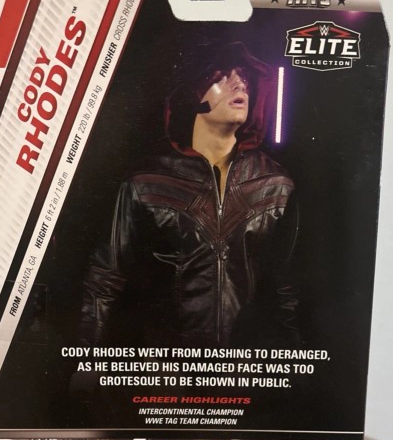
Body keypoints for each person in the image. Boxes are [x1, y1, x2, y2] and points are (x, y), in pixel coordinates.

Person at [79, 41, 300, 349]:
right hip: (166, 364)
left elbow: (289, 289)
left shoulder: (275, 184)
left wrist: (295, 365)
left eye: (244, 78)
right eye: (222, 76)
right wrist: (87, 360)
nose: (240, 84)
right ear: (192, 94)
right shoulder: (148, 182)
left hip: (244, 365)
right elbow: (105, 279)